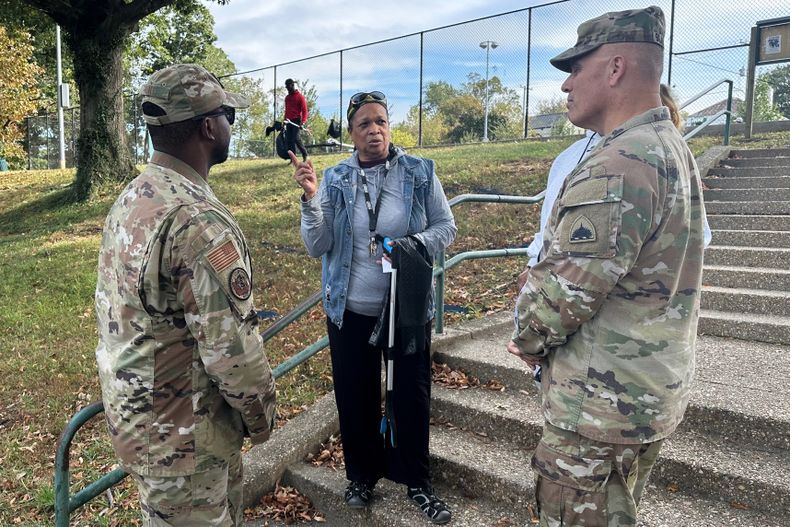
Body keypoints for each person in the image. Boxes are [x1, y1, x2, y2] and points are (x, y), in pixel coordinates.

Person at [507, 7, 705, 527]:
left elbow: (566, 294)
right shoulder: (669, 147)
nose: (566, 84)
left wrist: (526, 335)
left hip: (597, 409)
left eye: (576, 68)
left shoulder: (619, 162)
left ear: (615, 68)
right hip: (640, 394)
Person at [95, 64, 276, 526]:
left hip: (142, 424)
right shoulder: (196, 220)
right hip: (187, 442)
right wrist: (262, 419)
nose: (231, 124)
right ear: (208, 127)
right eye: (228, 115)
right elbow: (231, 351)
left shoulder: (133, 197)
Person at [291, 90, 457, 524]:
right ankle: (361, 476)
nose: (374, 130)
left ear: (389, 126)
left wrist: (408, 245)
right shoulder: (335, 179)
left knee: (412, 396)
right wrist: (310, 199)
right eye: (364, 123)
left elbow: (446, 227)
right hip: (350, 309)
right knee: (355, 396)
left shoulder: (420, 172)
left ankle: (417, 481)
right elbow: (317, 245)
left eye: (380, 121)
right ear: (351, 133)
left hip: (406, 309)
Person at [284, 78, 309, 161]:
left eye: (288, 86)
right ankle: (293, 159)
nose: (287, 88)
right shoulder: (287, 98)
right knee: (289, 140)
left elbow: (305, 111)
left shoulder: (300, 97)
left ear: (292, 85)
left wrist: (303, 122)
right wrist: (284, 121)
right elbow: (286, 110)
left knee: (296, 138)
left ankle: (305, 155)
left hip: (296, 121)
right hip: (288, 121)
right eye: (286, 87)